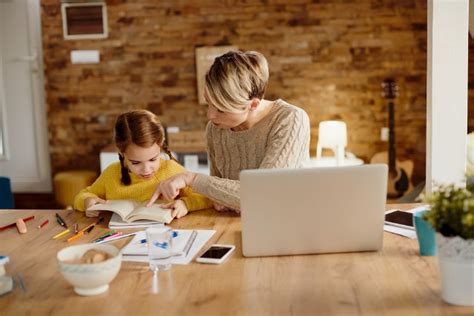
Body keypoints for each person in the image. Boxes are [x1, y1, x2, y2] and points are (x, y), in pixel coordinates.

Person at [148, 50, 311, 212]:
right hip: (237, 223)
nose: (210, 115)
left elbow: (264, 195)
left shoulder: (290, 119)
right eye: (208, 103)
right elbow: (218, 194)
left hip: (288, 223)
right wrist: (188, 203)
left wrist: (190, 178)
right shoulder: (215, 129)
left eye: (221, 109)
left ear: (253, 105)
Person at [73, 109, 213, 219]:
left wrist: (185, 204)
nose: (146, 170)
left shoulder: (172, 170)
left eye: (153, 159)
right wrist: (87, 201)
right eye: (135, 162)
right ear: (122, 153)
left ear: (161, 145)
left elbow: (207, 197)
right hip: (120, 238)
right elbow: (82, 195)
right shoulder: (111, 174)